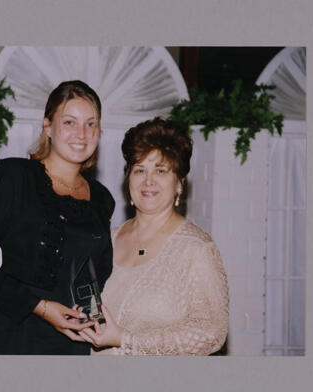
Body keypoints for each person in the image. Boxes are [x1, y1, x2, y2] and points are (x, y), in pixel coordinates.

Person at [0, 80, 115, 355]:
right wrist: (40, 307)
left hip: (68, 342)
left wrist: (88, 317)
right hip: (6, 336)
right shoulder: (13, 176)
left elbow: (96, 270)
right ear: (48, 126)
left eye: (91, 124)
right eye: (69, 122)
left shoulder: (102, 198)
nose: (81, 133)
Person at [79, 117, 229, 355]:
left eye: (160, 170)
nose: (148, 181)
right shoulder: (106, 239)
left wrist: (126, 340)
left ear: (179, 183)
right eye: (140, 170)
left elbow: (211, 333)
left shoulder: (196, 249)